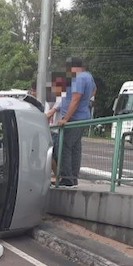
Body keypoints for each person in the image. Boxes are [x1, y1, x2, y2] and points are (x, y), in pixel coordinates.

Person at [55, 58, 96, 188]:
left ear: (75, 67)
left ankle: (67, 178)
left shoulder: (79, 78)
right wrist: (86, 100)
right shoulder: (88, 76)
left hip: (75, 118)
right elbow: (94, 90)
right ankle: (74, 178)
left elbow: (75, 99)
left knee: (65, 146)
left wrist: (66, 118)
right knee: (75, 147)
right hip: (83, 116)